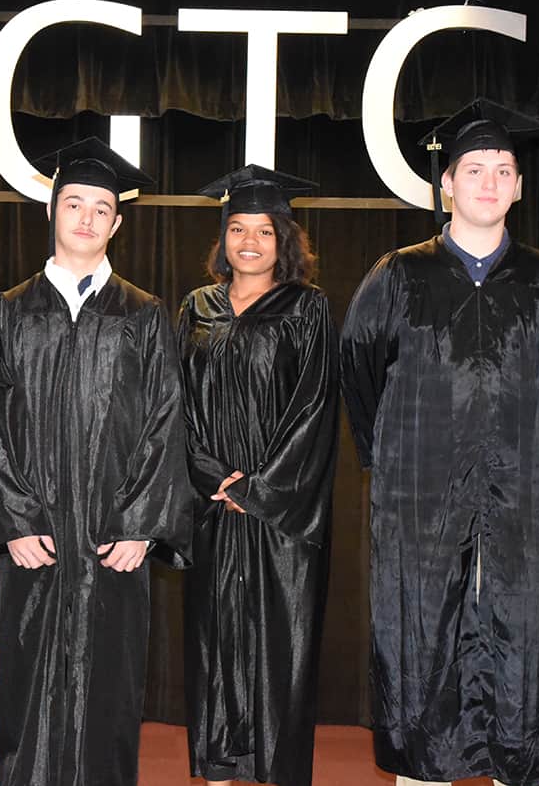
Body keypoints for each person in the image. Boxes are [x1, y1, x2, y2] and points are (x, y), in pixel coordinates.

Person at [339, 100, 539, 786]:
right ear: (445, 183)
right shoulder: (399, 275)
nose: (489, 180)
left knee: (519, 648)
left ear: (518, 187)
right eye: (473, 167)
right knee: (424, 647)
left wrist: (522, 463)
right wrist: (399, 464)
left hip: (519, 505)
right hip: (419, 506)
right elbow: (358, 374)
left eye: (503, 169)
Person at [0, 137, 192, 786]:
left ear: (117, 222)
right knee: (28, 689)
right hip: (36, 540)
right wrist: (14, 517)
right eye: (73, 202)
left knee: (109, 690)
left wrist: (142, 523)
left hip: (113, 542)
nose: (85, 217)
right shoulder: (11, 312)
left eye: (100, 208)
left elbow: (166, 420)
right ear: (52, 210)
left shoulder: (144, 315)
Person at [178, 165, 338, 786]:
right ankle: (219, 770)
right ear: (222, 238)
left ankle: (276, 771)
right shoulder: (197, 307)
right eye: (237, 229)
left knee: (281, 651)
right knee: (213, 646)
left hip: (280, 516)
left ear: (285, 242)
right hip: (214, 509)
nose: (249, 241)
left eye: (264, 231)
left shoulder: (309, 309)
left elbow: (316, 407)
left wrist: (258, 487)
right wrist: (215, 480)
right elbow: (178, 404)